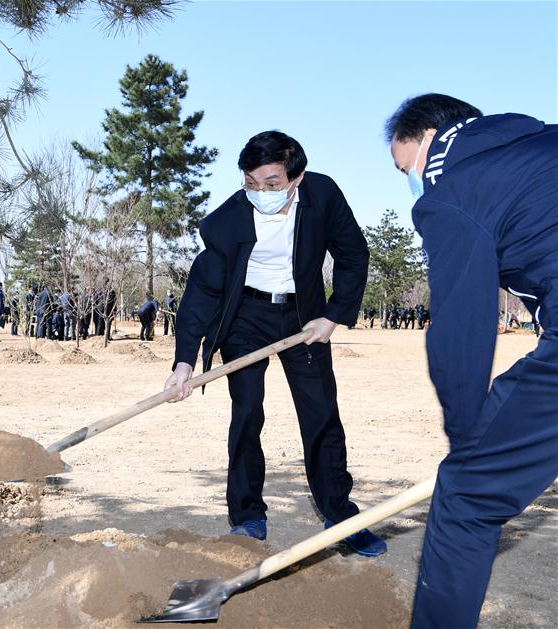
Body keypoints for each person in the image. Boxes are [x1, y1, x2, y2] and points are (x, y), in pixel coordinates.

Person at [164, 131, 385, 556]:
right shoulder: (225, 222)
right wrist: (184, 360)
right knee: (247, 413)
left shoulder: (323, 195)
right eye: (251, 182)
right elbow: (202, 293)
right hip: (246, 317)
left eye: (271, 183)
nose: (260, 192)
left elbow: (353, 253)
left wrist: (335, 314)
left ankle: (340, 515)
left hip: (305, 317)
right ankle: (247, 517)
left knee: (321, 414)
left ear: (296, 177)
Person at [386, 94, 558, 628]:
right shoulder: (539, 141)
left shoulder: (452, 188)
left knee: (464, 499)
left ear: (431, 137)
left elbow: (463, 325)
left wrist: (467, 446)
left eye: (404, 166)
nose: (411, 180)